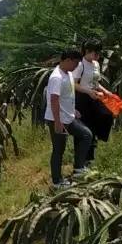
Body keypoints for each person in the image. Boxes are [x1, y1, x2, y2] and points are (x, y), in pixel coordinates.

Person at [44, 48, 94, 188]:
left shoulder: (68, 73)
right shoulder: (56, 77)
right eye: (76, 63)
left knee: (86, 135)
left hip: (68, 116)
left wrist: (74, 110)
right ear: (67, 60)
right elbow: (54, 100)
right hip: (57, 119)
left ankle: (78, 168)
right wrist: (58, 122)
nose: (77, 66)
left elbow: (68, 95)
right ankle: (57, 181)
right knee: (59, 149)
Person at [73, 39, 114, 167]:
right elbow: (74, 84)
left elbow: (96, 83)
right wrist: (88, 91)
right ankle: (81, 162)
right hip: (82, 99)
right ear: (87, 51)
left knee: (105, 116)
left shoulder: (96, 64)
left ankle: (90, 158)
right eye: (95, 53)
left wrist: (107, 92)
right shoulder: (80, 65)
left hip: (94, 97)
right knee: (86, 129)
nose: (97, 56)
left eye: (98, 53)